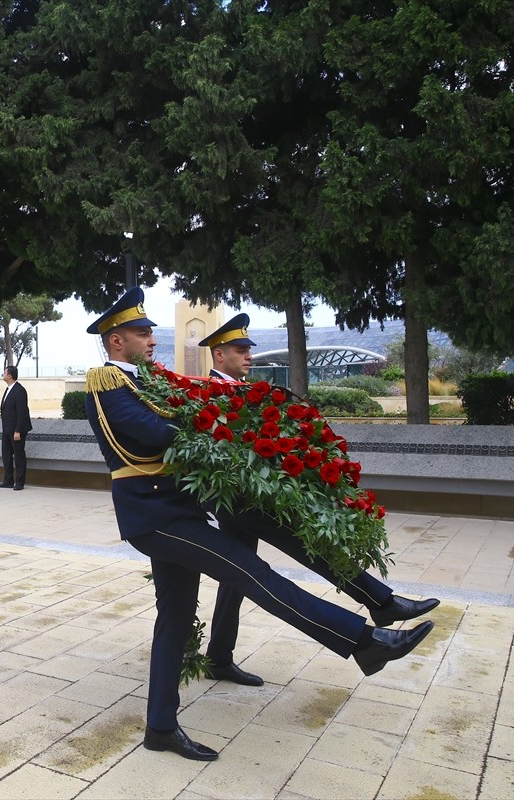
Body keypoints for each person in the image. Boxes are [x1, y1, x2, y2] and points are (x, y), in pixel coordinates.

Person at [84, 288, 433, 762]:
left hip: (178, 509)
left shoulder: (149, 381)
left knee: (173, 619)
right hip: (152, 515)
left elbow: (180, 424)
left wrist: (219, 419)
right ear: (115, 341)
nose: (150, 339)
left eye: (149, 331)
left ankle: (160, 727)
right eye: (141, 333)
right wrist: (219, 422)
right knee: (253, 572)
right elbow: (152, 433)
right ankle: (364, 642)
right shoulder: (107, 382)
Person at [196, 315, 439, 686]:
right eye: (240, 350)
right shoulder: (209, 394)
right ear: (219, 354)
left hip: (255, 497)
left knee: (236, 578)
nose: (248, 356)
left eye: (248, 350)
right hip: (242, 500)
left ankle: (218, 657)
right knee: (309, 544)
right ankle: (381, 602)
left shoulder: (247, 389)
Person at [0, 364, 32, 490]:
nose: (3, 374)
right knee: (6, 454)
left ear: (10, 375)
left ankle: (20, 482)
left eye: (4, 372)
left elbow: (22, 412)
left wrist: (18, 431)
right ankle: (8, 480)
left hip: (16, 430)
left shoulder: (19, 390)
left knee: (19, 455)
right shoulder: (8, 389)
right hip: (7, 429)